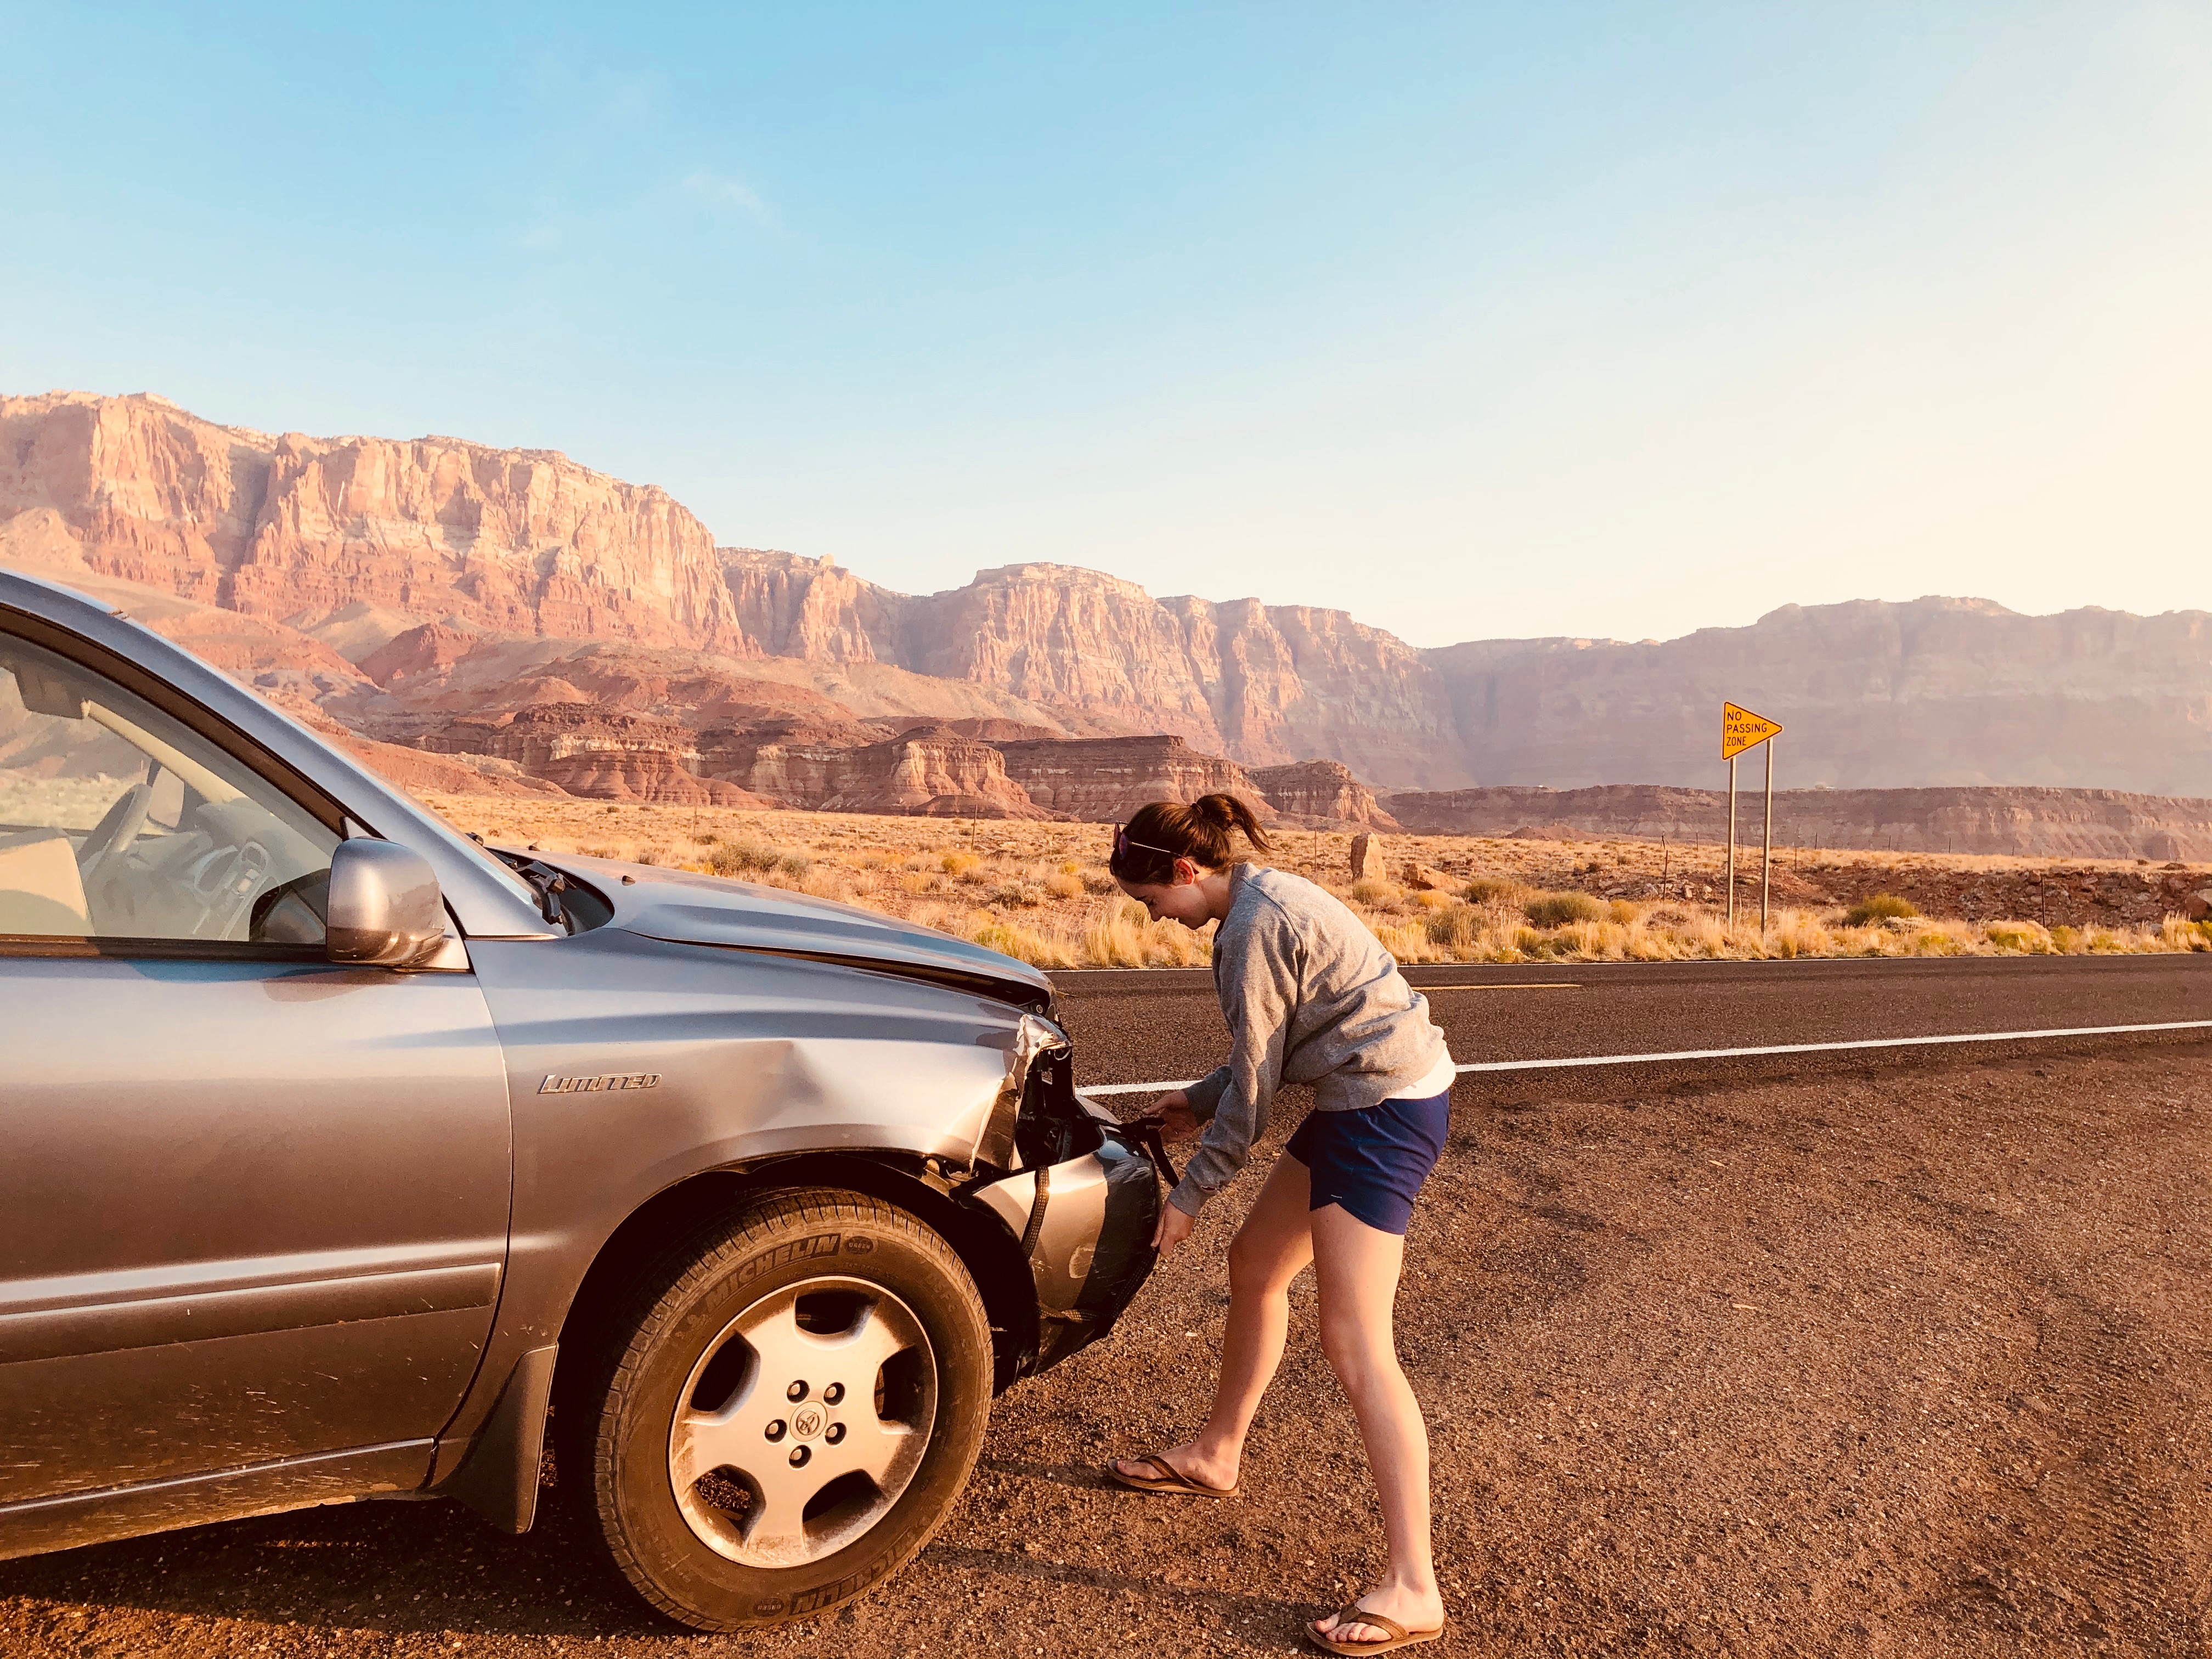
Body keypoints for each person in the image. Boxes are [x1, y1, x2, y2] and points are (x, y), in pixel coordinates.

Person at [1102, 794, 1455, 1655]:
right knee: (1257, 1265)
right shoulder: (1260, 898)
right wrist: (1192, 1101)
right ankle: (1219, 1453)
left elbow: (1257, 1093)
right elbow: (1274, 1049)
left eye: (1153, 903)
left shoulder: (1252, 927)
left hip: (1383, 1110)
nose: (1156, 920)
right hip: (1358, 1096)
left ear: (1186, 871)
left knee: (1357, 1342)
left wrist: (1187, 1198)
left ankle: (1415, 1585)